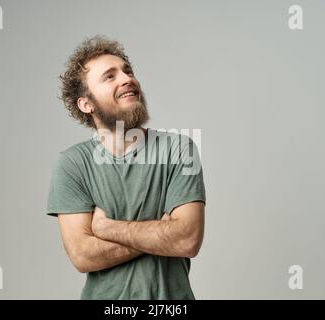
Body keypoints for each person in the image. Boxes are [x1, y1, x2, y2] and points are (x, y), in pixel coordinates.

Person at [46, 35, 206, 299]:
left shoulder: (179, 149)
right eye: (110, 76)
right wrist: (162, 232)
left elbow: (187, 239)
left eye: (127, 70)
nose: (127, 78)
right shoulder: (72, 164)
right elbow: (83, 256)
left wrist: (108, 229)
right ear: (86, 104)